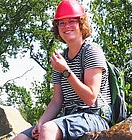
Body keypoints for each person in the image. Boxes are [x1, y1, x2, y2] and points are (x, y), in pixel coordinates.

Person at [13, 0, 112, 139]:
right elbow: (56, 101)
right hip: (69, 116)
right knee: (21, 138)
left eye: (71, 21)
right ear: (57, 27)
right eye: (61, 23)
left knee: (48, 131)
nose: (66, 26)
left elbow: (91, 98)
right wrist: (41, 122)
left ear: (81, 24)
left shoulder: (92, 51)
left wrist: (66, 71)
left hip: (95, 116)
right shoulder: (60, 58)